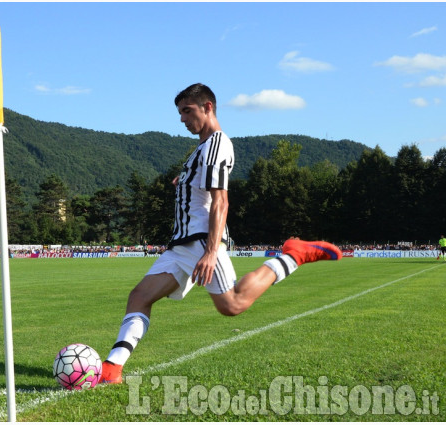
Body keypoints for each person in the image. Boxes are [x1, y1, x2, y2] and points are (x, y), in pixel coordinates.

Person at [99, 83, 342, 384]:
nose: (182, 119)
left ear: (208, 107)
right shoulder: (201, 149)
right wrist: (184, 181)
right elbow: (200, 188)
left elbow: (220, 200)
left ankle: (294, 255)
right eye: (180, 113)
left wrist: (212, 252)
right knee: (139, 296)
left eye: (187, 111)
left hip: (202, 240)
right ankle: (111, 370)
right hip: (182, 245)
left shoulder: (216, 144)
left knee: (233, 304)